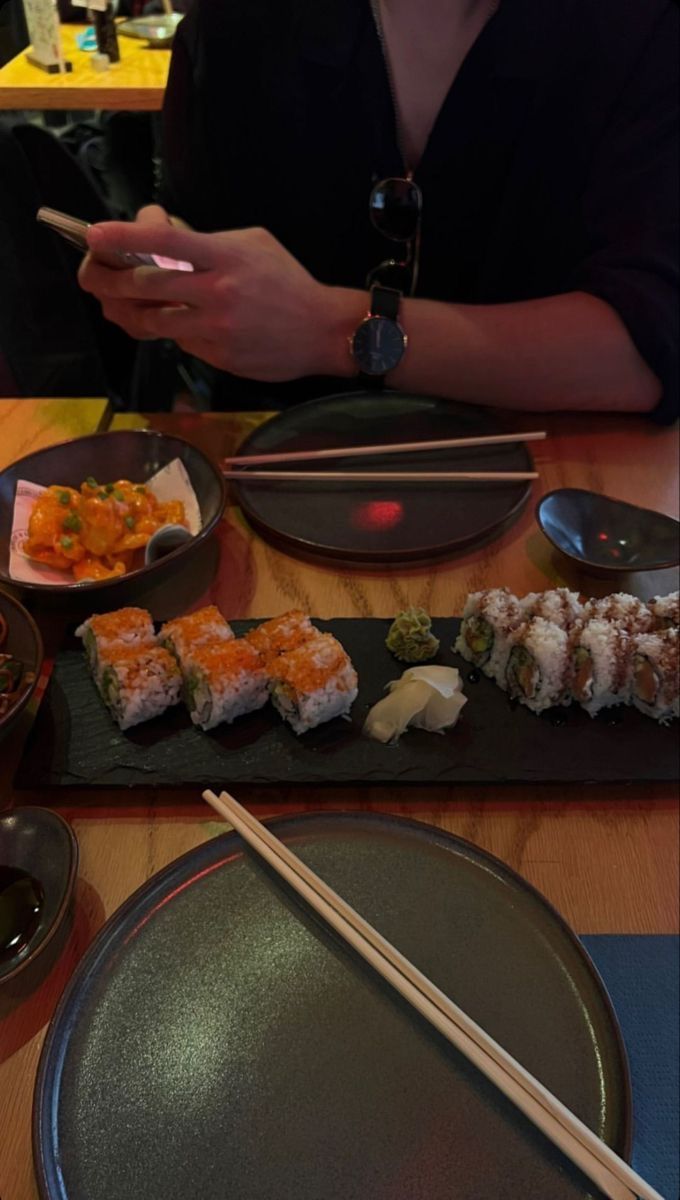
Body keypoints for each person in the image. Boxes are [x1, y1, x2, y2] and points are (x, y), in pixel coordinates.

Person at [79, 0, 679, 420]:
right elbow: (200, 222)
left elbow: (647, 352)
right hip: (282, 475)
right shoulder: (233, 23)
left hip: (565, 490)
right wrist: (163, 267)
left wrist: (331, 329)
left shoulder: (638, 27)